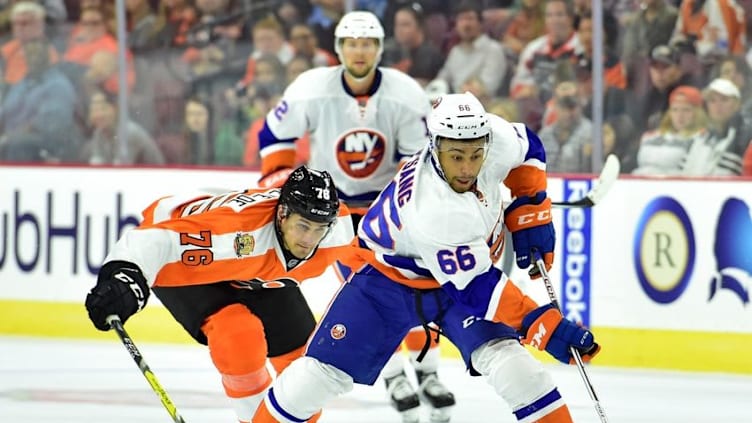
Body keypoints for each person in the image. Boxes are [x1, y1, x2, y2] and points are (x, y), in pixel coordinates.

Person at [252, 92, 602, 423]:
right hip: (386, 281)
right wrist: (543, 325)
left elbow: (528, 145)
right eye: (456, 156)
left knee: (517, 370)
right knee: (313, 380)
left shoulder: (494, 137)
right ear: (435, 146)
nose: (467, 169)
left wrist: (531, 202)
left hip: (454, 282)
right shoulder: (434, 208)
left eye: (475, 155)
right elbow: (479, 291)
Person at [256, 10, 455, 422]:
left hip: (390, 208)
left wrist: (402, 205)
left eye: (367, 44)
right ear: (339, 48)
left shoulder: (405, 94)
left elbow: (417, 161)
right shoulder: (312, 87)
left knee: (415, 285)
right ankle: (395, 374)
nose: (359, 51)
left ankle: (427, 369)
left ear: (379, 49)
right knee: (366, 287)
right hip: (336, 209)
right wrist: (280, 181)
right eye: (350, 43)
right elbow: (274, 134)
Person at [84, 166, 354, 423]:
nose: (309, 240)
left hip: (256, 272)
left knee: (304, 375)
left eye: (319, 229)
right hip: (193, 255)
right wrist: (124, 276)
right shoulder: (235, 234)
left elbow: (383, 243)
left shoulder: (337, 230)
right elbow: (157, 242)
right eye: (303, 226)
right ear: (282, 214)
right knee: (237, 336)